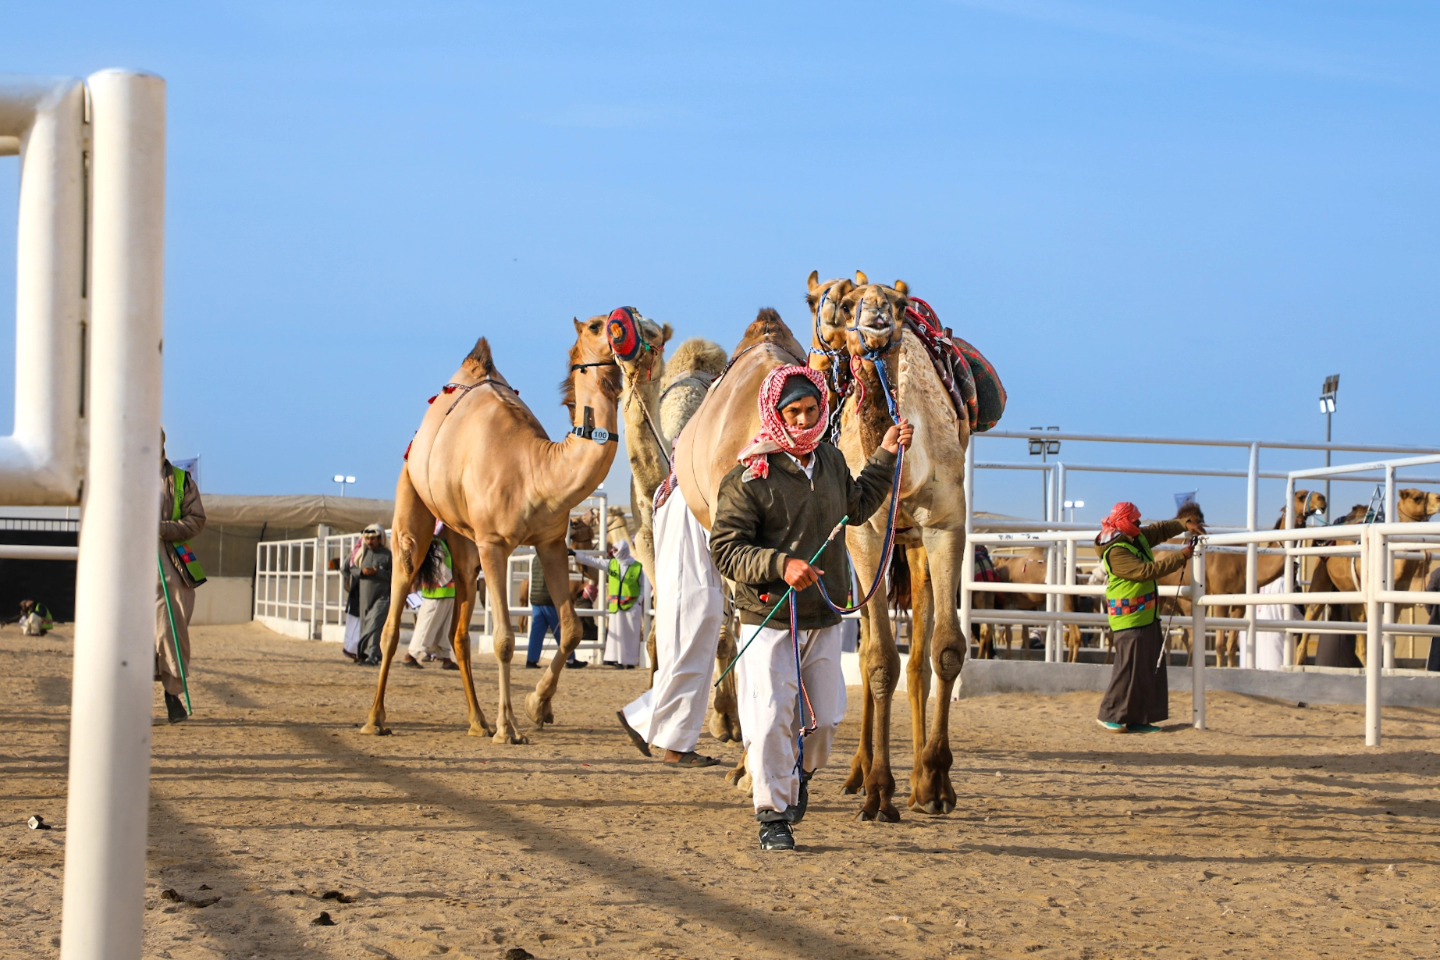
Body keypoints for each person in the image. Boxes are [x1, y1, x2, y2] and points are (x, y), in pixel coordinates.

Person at [709, 365, 912, 853]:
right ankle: (773, 814)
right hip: (770, 614)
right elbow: (726, 548)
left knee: (827, 716)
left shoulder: (830, 462)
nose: (802, 419)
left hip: (823, 611)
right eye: (793, 411)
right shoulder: (749, 476)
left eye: (810, 410)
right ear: (776, 413)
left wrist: (885, 454)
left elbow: (857, 507)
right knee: (774, 714)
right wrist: (781, 565)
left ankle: (797, 773)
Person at [1093, 501, 1205, 734]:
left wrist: (1185, 523)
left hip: (1145, 616)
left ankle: (1138, 719)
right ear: (1124, 521)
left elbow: (1160, 530)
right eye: (1135, 520)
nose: (1138, 523)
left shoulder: (1133, 538)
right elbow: (1145, 572)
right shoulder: (1116, 551)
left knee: (1146, 670)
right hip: (1129, 618)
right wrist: (1180, 557)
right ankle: (1109, 714)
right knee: (1128, 669)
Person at [157, 435, 206, 724]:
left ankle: (172, 693)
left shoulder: (180, 481)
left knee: (169, 626)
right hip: (126, 562)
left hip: (167, 563)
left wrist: (161, 528)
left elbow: (196, 519)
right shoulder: (119, 474)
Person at [575, 540, 648, 668]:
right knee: (617, 634)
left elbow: (643, 586)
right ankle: (617, 660)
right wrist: (575, 554)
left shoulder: (638, 567)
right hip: (616, 606)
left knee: (631, 635)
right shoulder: (611, 564)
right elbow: (593, 562)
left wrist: (638, 602)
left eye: (616, 550)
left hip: (631, 606)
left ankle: (630, 661)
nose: (613, 552)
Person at [404, 524, 459, 670]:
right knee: (426, 626)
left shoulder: (442, 545)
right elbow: (440, 570)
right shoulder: (434, 546)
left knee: (443, 628)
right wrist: (453, 579)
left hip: (447, 593)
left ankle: (445, 657)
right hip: (437, 593)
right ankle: (412, 655)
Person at [524, 547, 588, 669]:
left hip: (536, 599)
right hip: (549, 599)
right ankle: (570, 659)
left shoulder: (535, 559)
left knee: (536, 633)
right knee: (561, 630)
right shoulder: (551, 559)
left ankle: (531, 660)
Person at [348, 523, 392, 666]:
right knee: (366, 624)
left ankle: (373, 655)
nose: (370, 542)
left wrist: (378, 572)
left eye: (373, 538)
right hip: (365, 596)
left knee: (375, 624)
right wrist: (362, 572)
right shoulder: (360, 553)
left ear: (380, 539)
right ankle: (365, 654)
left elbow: (394, 576)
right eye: (367, 539)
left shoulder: (388, 555)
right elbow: (350, 568)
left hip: (383, 597)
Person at [1426, 566, 1440, 672]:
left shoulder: (1437, 574)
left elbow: (1429, 600)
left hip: (1438, 622)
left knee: (1436, 663)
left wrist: (1433, 613)